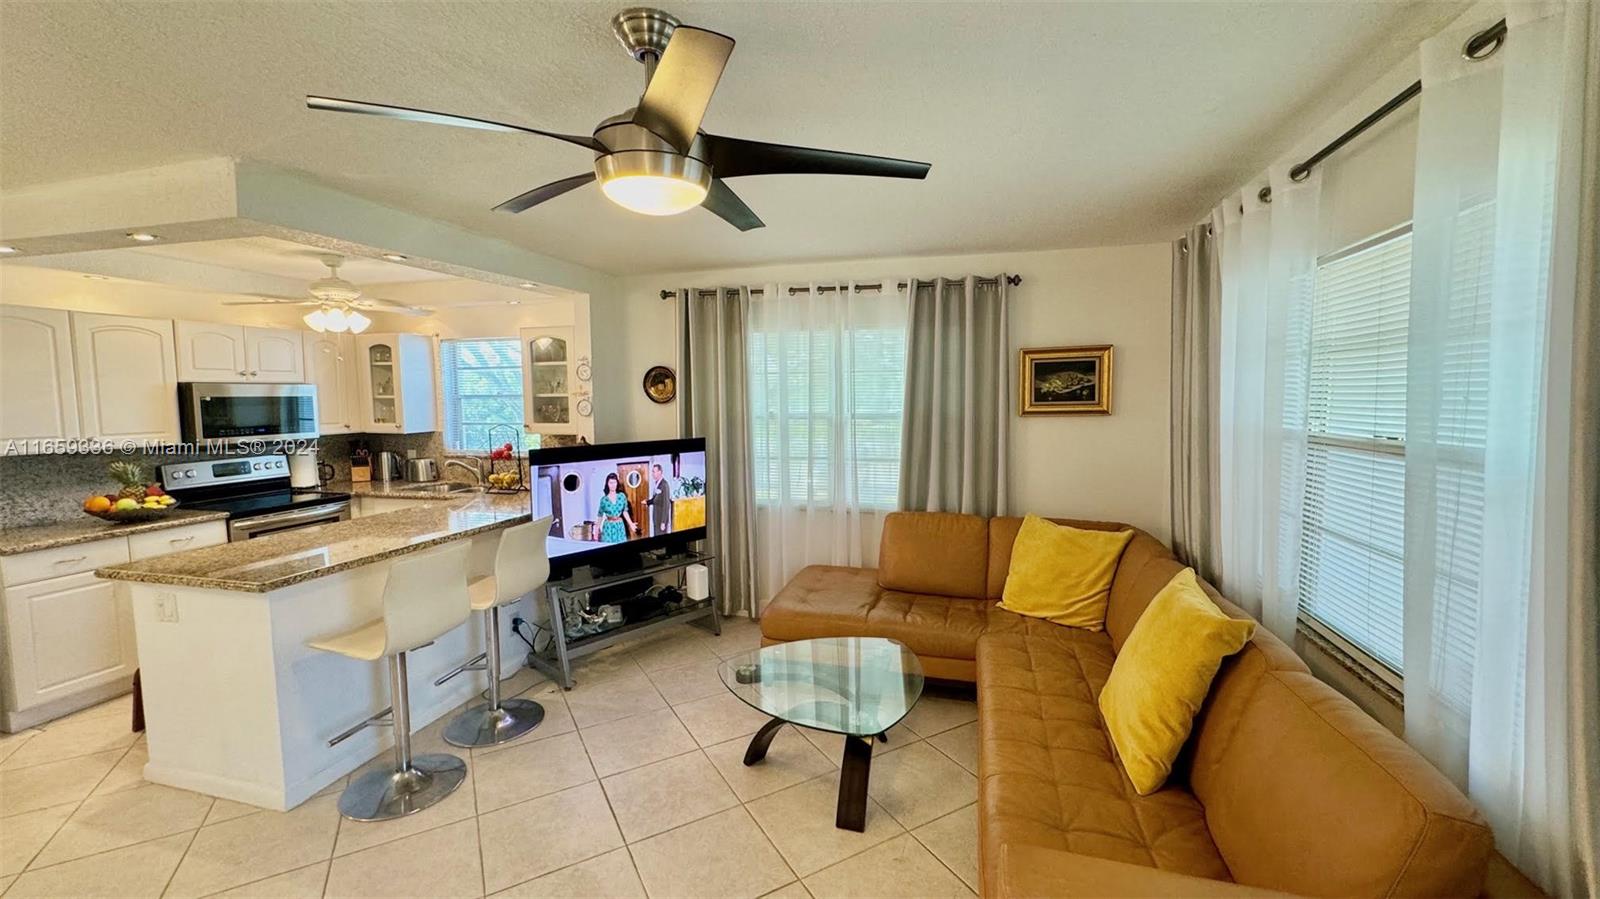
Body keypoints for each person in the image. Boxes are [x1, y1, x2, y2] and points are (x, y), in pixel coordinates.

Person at [597, 472, 638, 543]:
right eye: (610, 483)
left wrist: (631, 524)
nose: (613, 485)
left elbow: (625, 511)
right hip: (608, 527)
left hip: (619, 526)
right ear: (607, 484)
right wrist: (597, 529)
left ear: (617, 483)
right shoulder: (603, 500)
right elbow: (600, 515)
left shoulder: (622, 496)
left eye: (614, 482)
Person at [649, 463, 673, 535]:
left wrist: (663, 522)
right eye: (652, 472)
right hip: (656, 518)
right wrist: (647, 502)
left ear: (659, 472)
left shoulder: (664, 485)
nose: (652, 474)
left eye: (654, 471)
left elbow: (666, 504)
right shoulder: (657, 484)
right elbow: (655, 500)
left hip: (661, 520)